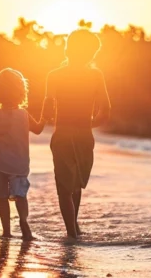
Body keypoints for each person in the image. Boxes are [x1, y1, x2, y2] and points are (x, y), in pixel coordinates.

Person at [42, 30, 111, 239]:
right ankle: (74, 230)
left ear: (68, 49)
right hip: (84, 135)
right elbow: (105, 111)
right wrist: (87, 124)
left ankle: (72, 232)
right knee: (76, 183)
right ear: (92, 53)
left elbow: (47, 110)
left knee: (64, 187)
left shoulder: (54, 75)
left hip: (62, 133)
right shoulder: (96, 75)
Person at [0, 69, 44, 241]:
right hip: (18, 161)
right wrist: (46, 116)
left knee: (2, 196)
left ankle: (6, 231)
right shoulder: (24, 114)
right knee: (20, 195)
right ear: (21, 91)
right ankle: (23, 222)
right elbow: (38, 129)